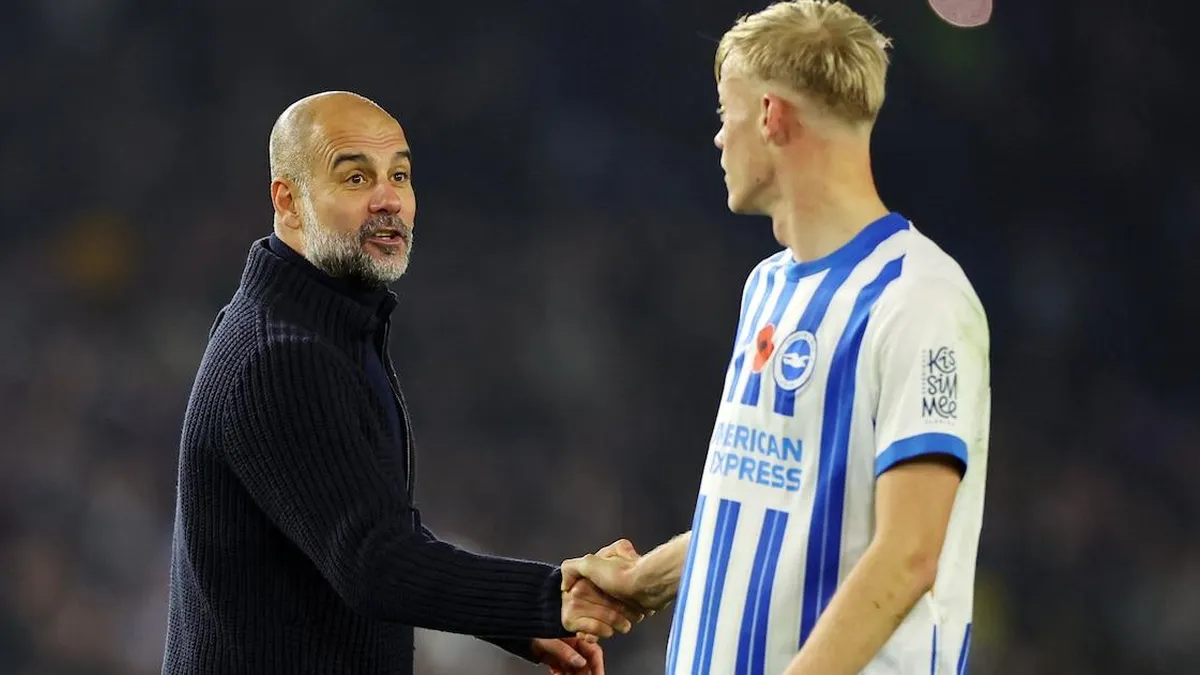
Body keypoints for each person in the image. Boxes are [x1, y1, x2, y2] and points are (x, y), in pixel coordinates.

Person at [561, 2, 991, 674]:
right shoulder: (767, 286)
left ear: (770, 115)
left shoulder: (921, 297)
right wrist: (648, 577)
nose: (718, 139)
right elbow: (781, 509)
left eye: (722, 114)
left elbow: (909, 551)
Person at [163, 90, 640, 675]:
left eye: (400, 175)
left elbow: (363, 525)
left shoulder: (321, 327)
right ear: (289, 202)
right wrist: (551, 598)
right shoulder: (282, 356)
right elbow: (372, 561)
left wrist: (510, 620)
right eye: (357, 178)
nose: (389, 200)